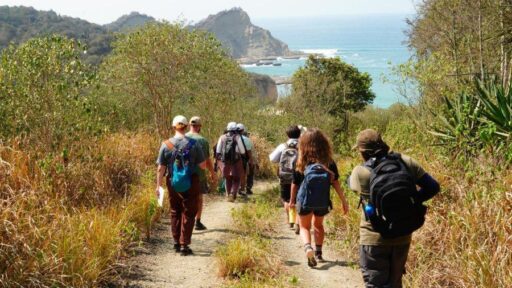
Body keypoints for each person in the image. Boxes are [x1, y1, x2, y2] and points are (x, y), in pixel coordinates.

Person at [348, 129, 440, 288]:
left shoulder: (360, 172)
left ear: (362, 151)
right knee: (395, 283)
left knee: (376, 284)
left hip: (374, 236)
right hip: (403, 233)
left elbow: (352, 187)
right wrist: (412, 201)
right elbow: (433, 187)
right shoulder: (406, 162)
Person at [289, 129, 349, 267]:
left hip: (304, 200)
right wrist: (344, 201)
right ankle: (319, 253)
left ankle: (308, 248)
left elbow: (295, 183)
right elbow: (336, 183)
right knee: (318, 225)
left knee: (304, 227)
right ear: (324, 143)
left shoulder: (300, 160)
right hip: (322, 200)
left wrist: (292, 200)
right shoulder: (329, 161)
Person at [155, 115, 206, 256]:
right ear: (186, 127)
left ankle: (176, 242)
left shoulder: (166, 144)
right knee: (189, 212)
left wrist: (158, 186)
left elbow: (161, 168)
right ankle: (185, 244)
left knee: (174, 210)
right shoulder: (195, 144)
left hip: (172, 182)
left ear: (173, 127)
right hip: (191, 182)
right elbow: (202, 165)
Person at [186, 116, 217, 231]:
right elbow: (207, 160)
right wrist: (213, 173)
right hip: (199, 175)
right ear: (199, 127)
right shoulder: (203, 141)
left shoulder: (182, 138)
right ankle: (197, 222)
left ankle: (186, 221)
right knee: (199, 198)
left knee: (186, 198)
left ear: (189, 126)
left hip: (184, 175)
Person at [269, 125, 301, 234]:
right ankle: (297, 222)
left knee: (286, 199)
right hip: (300, 176)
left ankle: (290, 220)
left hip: (284, 176)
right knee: (298, 199)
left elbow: (272, 159)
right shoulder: (303, 146)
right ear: (300, 134)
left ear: (287, 135)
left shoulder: (283, 146)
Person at [216, 122, 246, 202]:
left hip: (225, 162)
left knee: (227, 178)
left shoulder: (222, 137)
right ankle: (233, 193)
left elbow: (218, 151)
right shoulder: (237, 137)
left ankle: (228, 194)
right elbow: (242, 151)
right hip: (236, 161)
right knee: (236, 178)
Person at [236, 123, 255, 195]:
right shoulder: (246, 139)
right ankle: (247, 188)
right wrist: (251, 161)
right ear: (243, 130)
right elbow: (249, 151)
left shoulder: (232, 138)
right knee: (247, 174)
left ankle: (236, 188)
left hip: (233, 159)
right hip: (244, 159)